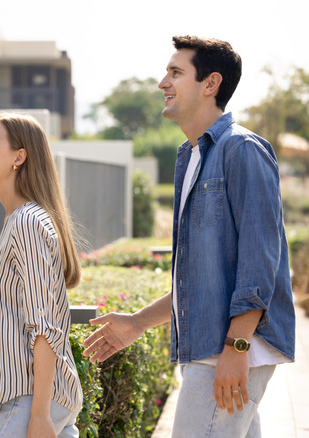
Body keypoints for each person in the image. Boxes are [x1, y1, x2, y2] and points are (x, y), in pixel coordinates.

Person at [82, 36, 295, 437]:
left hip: (227, 351)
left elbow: (259, 259)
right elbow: (200, 279)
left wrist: (237, 348)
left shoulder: (242, 150)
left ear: (210, 83)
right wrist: (138, 322)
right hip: (218, 349)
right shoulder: (192, 156)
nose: (163, 82)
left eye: (176, 73)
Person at [0, 113, 83, 438]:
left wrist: (39, 416)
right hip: (37, 396)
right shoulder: (20, 220)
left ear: (19, 157)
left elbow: (43, 327)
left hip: (31, 400)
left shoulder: (27, 224)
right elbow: (15, 326)